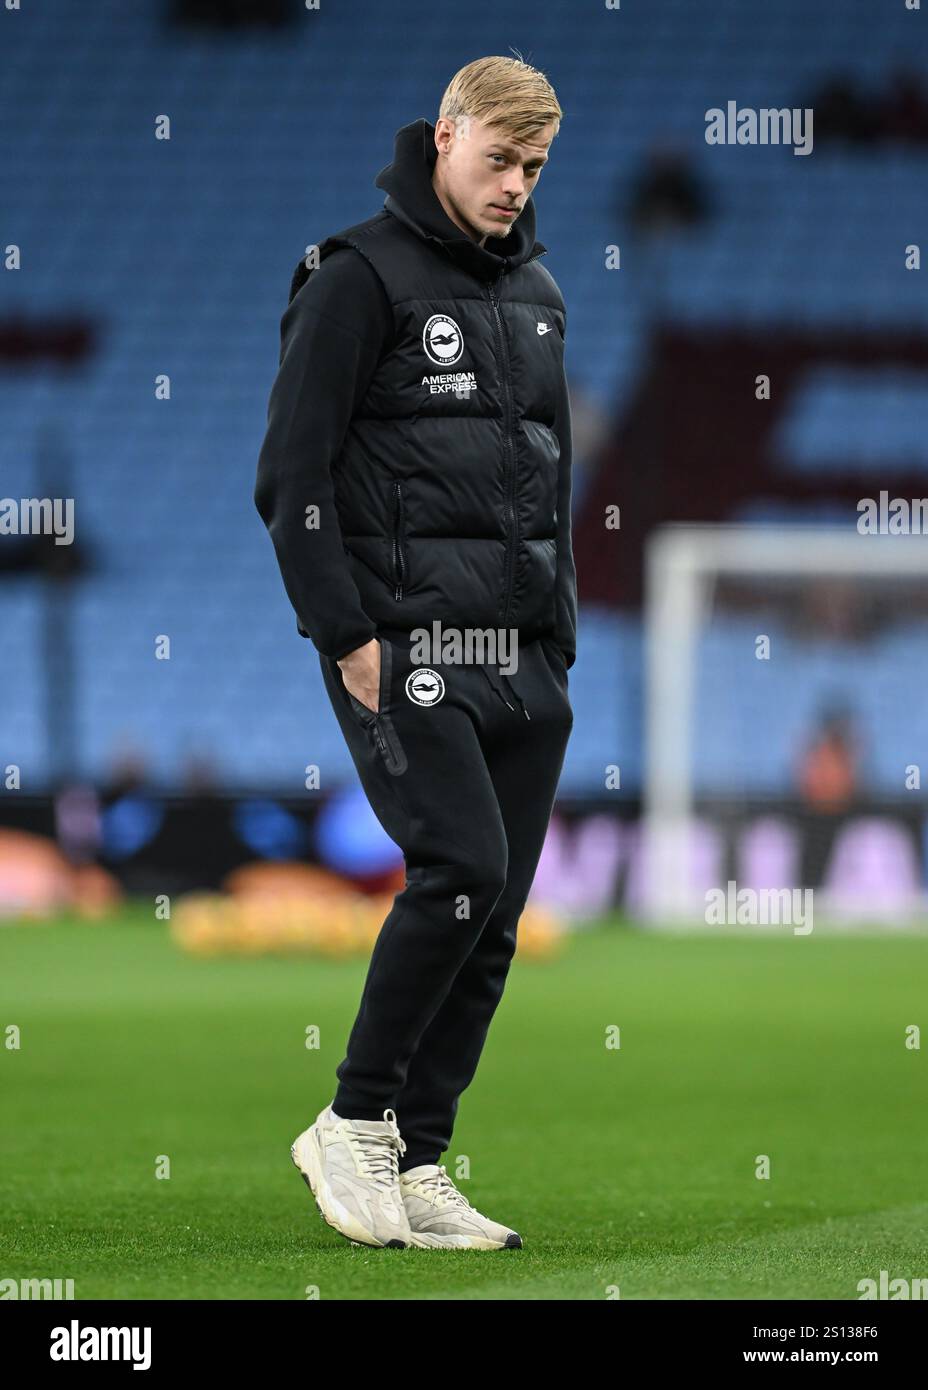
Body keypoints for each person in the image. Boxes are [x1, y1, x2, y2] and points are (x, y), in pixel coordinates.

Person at [255, 55, 576, 1250]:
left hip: (523, 658)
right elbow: (293, 476)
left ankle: (421, 1155)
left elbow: (550, 478)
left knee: (492, 917)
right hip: (406, 644)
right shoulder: (353, 279)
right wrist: (345, 634)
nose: (514, 184)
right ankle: (350, 1121)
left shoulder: (539, 289)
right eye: (498, 157)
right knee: (458, 868)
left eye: (533, 166)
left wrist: (559, 643)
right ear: (443, 135)